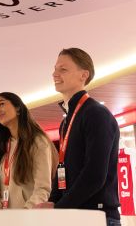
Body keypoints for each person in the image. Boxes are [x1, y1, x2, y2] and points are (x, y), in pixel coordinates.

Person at [35, 48, 121, 226]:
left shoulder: (96, 114)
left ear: (84, 75)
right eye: (55, 69)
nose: (55, 74)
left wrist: (59, 208)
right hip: (75, 216)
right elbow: (64, 170)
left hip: (97, 217)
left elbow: (94, 175)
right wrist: (54, 201)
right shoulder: (67, 120)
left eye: (63, 69)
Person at [0, 92, 56, 209]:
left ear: (18, 108)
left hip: (28, 215)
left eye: (2, 104)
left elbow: (43, 189)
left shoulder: (37, 141)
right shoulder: (3, 147)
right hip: (5, 217)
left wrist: (25, 213)